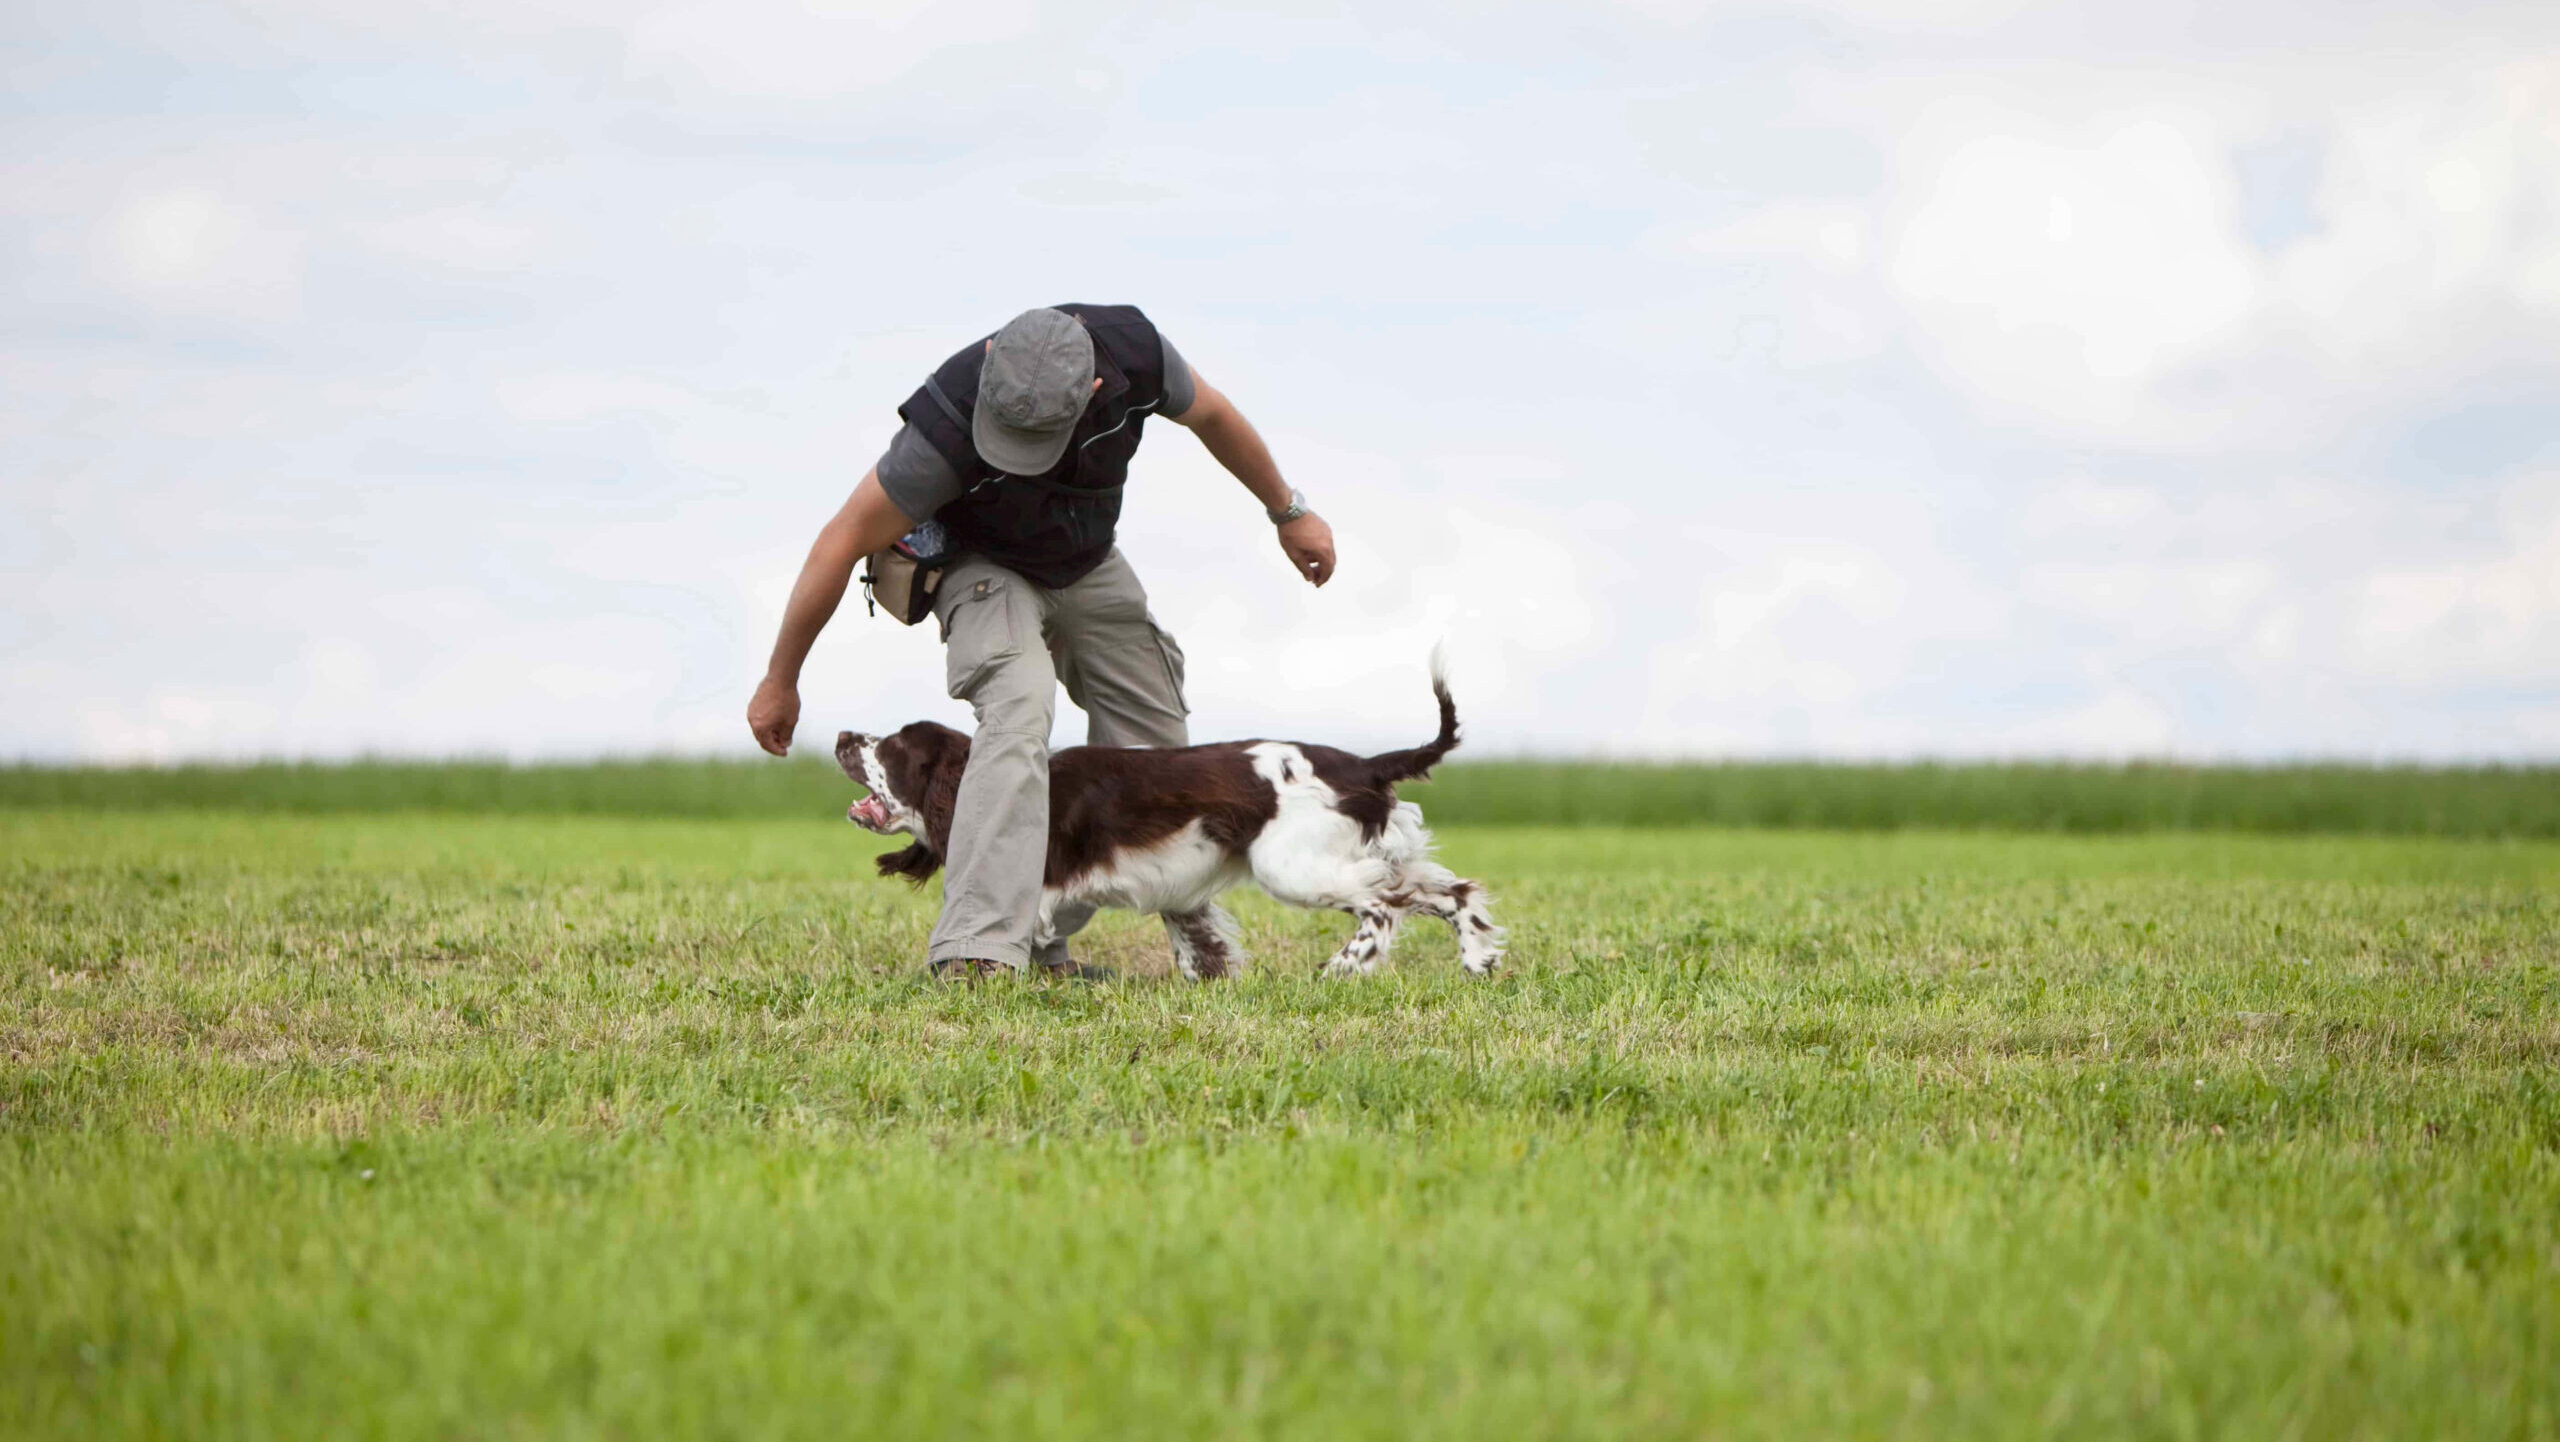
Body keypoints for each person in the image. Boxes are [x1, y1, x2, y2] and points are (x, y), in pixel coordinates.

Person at [747, 305, 1336, 979]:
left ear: (1091, 392)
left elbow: (1215, 417)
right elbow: (841, 540)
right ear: (993, 354)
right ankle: (978, 949)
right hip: (984, 568)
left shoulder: (1136, 352)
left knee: (1155, 753)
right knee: (1019, 709)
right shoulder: (942, 431)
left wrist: (1289, 511)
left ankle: (1045, 940)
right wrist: (780, 678)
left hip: (1086, 561)